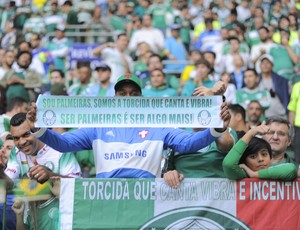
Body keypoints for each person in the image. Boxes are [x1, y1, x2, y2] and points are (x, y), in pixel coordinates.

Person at [27, 73, 231, 179]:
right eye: (122, 94)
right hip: (106, 200)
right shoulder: (98, 126)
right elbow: (64, 144)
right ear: (114, 97)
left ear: (141, 97)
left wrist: (217, 129)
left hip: (145, 201)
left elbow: (188, 143)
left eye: (133, 94)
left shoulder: (158, 125)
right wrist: (39, 129)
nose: (128, 98)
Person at [5, 112, 82, 229]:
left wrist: (50, 175)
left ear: (36, 130)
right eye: (16, 138)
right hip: (32, 223)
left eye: (26, 135)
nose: (21, 142)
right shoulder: (16, 153)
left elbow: (78, 189)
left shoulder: (59, 148)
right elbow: (8, 184)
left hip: (61, 224)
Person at [223, 122, 297, 180]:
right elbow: (228, 164)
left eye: (264, 154)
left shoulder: (276, 171)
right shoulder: (242, 175)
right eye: (253, 156)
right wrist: (251, 133)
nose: (261, 159)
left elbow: (291, 169)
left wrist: (254, 174)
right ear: (244, 161)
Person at [288, 82, 300, 164]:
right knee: (298, 158)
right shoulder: (297, 86)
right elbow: (292, 109)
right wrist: (290, 130)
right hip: (298, 128)